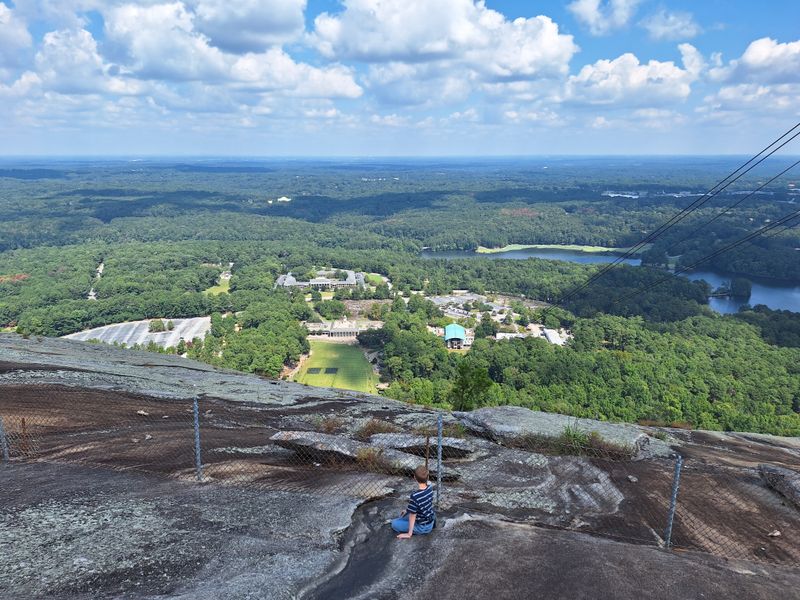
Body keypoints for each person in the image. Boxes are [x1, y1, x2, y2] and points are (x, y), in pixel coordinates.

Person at [392, 465, 435, 539]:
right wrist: (407, 511)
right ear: (428, 477)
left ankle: (413, 530)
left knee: (394, 524)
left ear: (414, 478)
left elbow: (412, 516)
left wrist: (409, 534)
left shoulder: (415, 496)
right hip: (430, 520)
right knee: (404, 515)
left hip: (422, 527)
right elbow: (423, 504)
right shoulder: (430, 488)